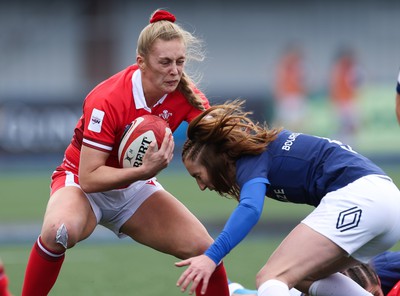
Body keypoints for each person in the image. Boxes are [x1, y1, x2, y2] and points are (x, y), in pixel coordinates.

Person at [21, 9, 230, 296]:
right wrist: (143, 171)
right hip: (82, 184)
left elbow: (217, 138)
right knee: (59, 231)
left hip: (134, 186)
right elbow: (90, 178)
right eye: (165, 62)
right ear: (141, 63)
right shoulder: (107, 99)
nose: (175, 71)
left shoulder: (185, 93)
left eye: (180, 62)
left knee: (206, 250)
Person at [175, 100, 400, 296]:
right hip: (388, 205)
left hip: (363, 198)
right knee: (304, 277)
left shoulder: (250, 158)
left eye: (199, 176)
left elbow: (251, 208)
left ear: (214, 161)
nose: (201, 186)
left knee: (271, 276)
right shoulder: (263, 149)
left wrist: (211, 257)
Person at [329, 47, 363, 145]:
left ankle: (348, 147)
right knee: (344, 128)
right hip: (342, 103)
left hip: (348, 101)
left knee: (351, 128)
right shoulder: (340, 68)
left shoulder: (352, 68)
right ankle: (341, 147)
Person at [273, 45, 308, 131]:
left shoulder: (300, 69)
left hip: (297, 100)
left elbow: (305, 88)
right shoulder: (282, 69)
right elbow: (278, 87)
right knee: (285, 128)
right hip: (286, 102)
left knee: (300, 128)